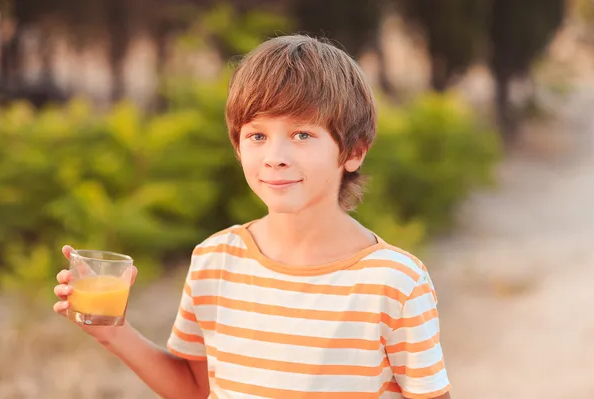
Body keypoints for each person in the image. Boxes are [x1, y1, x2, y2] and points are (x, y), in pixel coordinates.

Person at [53, 34, 451, 399]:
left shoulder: (396, 282)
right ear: (238, 147)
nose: (275, 156)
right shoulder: (215, 261)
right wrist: (111, 332)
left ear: (354, 152)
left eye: (302, 135)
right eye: (257, 135)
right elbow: (195, 389)